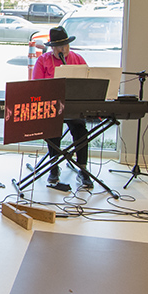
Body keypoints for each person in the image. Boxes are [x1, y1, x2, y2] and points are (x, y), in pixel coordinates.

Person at [32, 26, 93, 188]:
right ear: (52, 47)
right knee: (53, 130)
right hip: (52, 106)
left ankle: (83, 168)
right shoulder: (43, 61)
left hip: (74, 106)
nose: (63, 49)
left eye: (66, 45)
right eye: (59, 46)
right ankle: (53, 167)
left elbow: (88, 83)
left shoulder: (78, 59)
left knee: (80, 130)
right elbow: (36, 87)